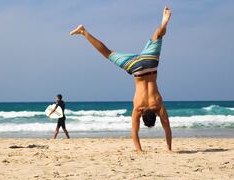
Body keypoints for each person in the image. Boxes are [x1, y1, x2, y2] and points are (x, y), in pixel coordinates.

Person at [70, 6, 172, 152]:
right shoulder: (138, 108)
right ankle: (83, 32)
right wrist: (140, 151)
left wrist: (170, 148)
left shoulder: (158, 105)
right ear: (143, 116)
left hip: (150, 63)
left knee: (157, 35)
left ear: (155, 115)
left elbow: (167, 129)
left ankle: (164, 23)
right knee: (108, 53)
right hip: (135, 68)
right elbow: (134, 133)